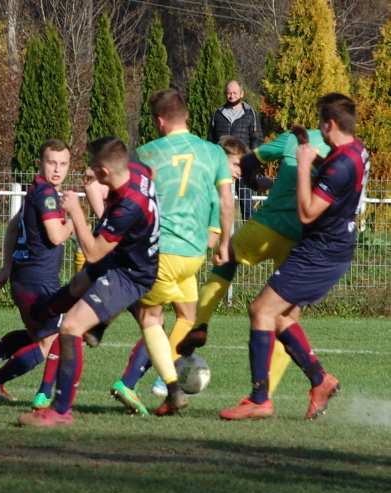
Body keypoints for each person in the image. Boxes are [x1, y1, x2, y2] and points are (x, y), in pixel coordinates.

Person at [220, 93, 369, 420]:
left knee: (260, 311)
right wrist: (315, 160)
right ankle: (320, 380)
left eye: (320, 123)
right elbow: (336, 178)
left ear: (329, 124)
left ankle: (260, 399)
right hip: (329, 248)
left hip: (321, 252)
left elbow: (306, 212)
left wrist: (303, 165)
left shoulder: (342, 163)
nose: (319, 128)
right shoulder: (355, 151)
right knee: (283, 317)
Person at [18, 137, 160, 427]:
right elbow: (151, 172)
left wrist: (76, 211)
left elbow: (94, 252)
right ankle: (81, 322)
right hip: (124, 258)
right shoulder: (137, 170)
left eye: (94, 168)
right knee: (69, 294)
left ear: (106, 171)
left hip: (130, 274)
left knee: (71, 327)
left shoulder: (129, 208)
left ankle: (60, 411)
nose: (90, 173)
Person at [178, 129, 332, 398]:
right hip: (301, 238)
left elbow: (250, 160)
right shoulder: (345, 155)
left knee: (228, 258)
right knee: (286, 317)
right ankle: (266, 394)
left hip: (268, 224)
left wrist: (253, 180)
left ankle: (200, 324)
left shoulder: (297, 137)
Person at [111, 89, 234, 416]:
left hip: (160, 251)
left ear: (160, 121)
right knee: (188, 317)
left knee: (150, 317)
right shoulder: (213, 153)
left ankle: (156, 385)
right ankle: (162, 379)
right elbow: (225, 201)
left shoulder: (146, 153)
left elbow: (127, 199)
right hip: (193, 255)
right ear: (187, 117)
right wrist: (223, 244)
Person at [0, 139, 74, 401]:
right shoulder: (46, 195)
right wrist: (75, 219)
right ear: (41, 163)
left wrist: (7, 267)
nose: (57, 169)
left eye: (63, 164)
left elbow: (12, 226)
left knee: (35, 336)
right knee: (50, 343)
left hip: (25, 278)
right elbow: (56, 236)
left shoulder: (36, 190)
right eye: (51, 162)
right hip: (38, 282)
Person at [208, 80, 263, 220]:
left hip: (243, 166)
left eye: (234, 93)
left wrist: (250, 160)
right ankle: (218, 236)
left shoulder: (251, 114)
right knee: (219, 203)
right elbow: (210, 140)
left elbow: (257, 138)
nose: (231, 96)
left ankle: (248, 237)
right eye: (228, 93)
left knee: (246, 204)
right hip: (222, 166)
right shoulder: (217, 114)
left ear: (242, 93)